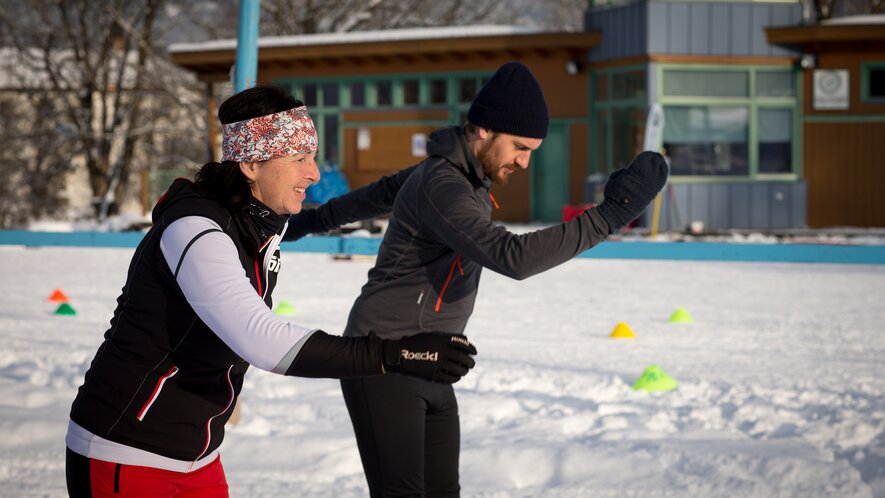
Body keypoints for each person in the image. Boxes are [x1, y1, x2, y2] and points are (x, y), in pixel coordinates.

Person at [65, 85, 477, 498]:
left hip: (197, 455)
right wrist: (395, 354)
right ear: (250, 164)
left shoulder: (254, 224)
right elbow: (261, 340)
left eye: (312, 157)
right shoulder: (197, 231)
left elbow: (349, 205)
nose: (313, 174)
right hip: (125, 452)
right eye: (299, 159)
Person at [339, 61, 669, 497]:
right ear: (482, 131)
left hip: (432, 359)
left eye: (532, 150)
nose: (525, 162)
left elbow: (374, 195)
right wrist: (607, 217)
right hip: (384, 359)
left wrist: (306, 221)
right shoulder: (445, 184)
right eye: (519, 146)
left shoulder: (463, 179)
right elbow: (511, 257)